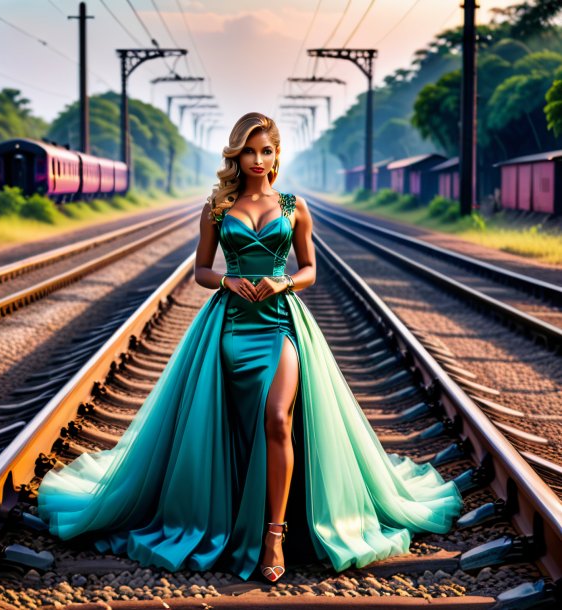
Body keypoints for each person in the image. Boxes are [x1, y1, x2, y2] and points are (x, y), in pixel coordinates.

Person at [37, 112, 464, 585]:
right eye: (249, 150)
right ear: (235, 154)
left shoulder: (295, 206)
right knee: (227, 428)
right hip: (230, 327)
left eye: (267, 150)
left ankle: (274, 536)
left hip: (281, 325)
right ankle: (225, 521)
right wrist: (230, 280)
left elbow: (310, 270)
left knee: (278, 418)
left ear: (277, 154)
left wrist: (282, 282)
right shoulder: (216, 209)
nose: (258, 159)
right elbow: (201, 270)